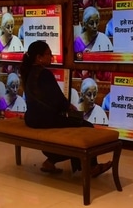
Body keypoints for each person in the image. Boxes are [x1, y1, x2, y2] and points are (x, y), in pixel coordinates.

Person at [20, 40, 112, 176]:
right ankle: (91, 168)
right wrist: (71, 108)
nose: (51, 57)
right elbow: (58, 100)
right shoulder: (44, 74)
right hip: (45, 120)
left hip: (32, 119)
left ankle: (50, 162)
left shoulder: (29, 73)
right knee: (87, 127)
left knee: (72, 126)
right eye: (48, 54)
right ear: (39, 58)